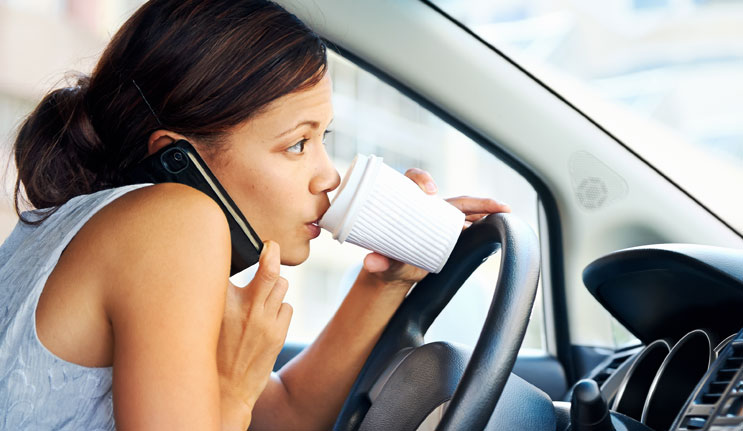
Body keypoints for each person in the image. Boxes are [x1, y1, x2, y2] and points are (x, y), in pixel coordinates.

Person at [0, 0, 510, 429]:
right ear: (180, 158)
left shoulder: (124, 232)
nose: (328, 177)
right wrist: (232, 392)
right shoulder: (173, 222)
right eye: (296, 145)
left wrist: (386, 282)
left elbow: (283, 412)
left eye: (321, 138)